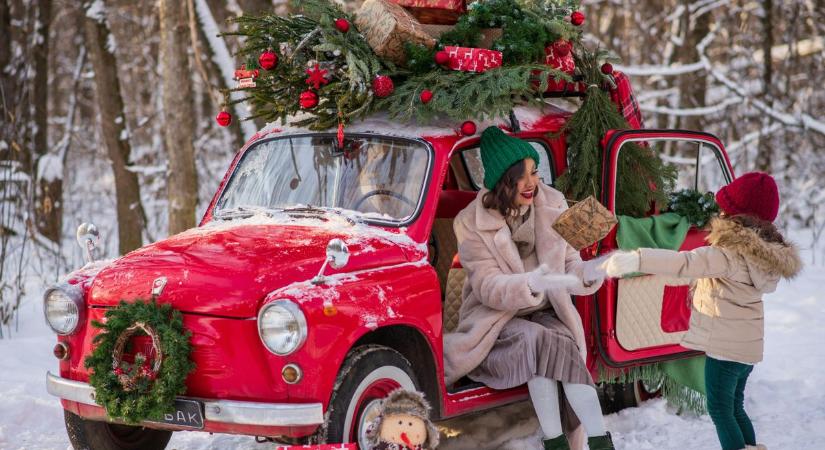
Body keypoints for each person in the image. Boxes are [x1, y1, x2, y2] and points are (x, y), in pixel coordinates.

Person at [443, 126, 615, 450]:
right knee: (537, 340)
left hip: (546, 313)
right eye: (521, 177)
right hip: (497, 322)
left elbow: (569, 264)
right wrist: (528, 283)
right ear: (503, 180)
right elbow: (486, 286)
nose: (531, 183)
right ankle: (574, 442)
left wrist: (588, 273)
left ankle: (587, 440)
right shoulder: (470, 222)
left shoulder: (552, 202)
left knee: (554, 339)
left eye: (534, 173)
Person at [602, 172, 801, 450]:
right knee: (734, 407)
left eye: (725, 207)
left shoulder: (727, 253)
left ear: (737, 215)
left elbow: (683, 263)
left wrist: (637, 258)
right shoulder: (763, 254)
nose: (719, 211)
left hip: (725, 348)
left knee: (720, 409)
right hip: (747, 348)